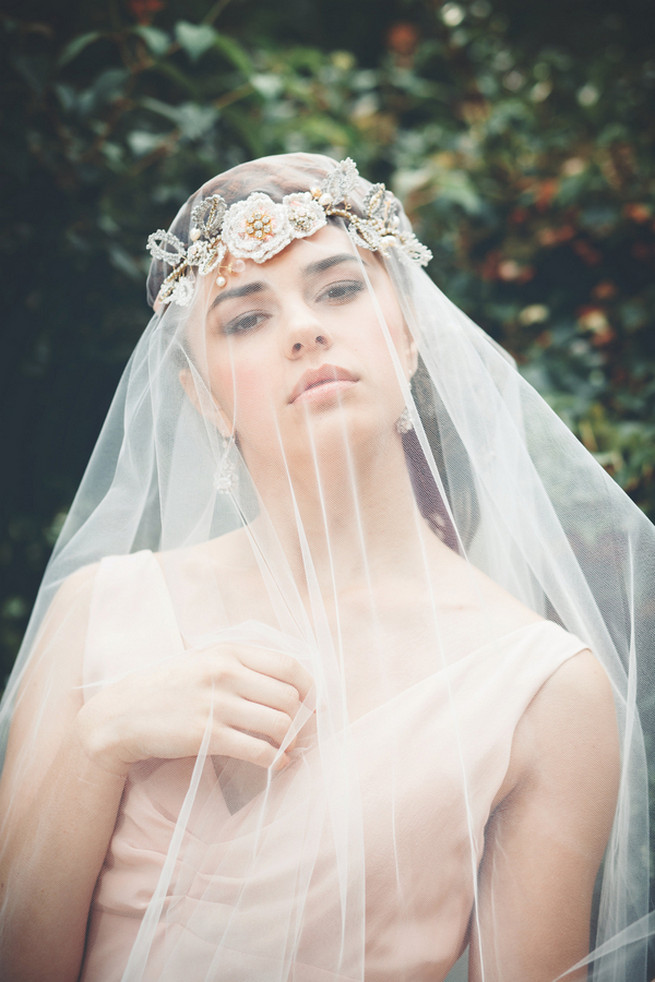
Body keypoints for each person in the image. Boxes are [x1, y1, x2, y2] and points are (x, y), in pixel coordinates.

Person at [0, 152, 652, 982]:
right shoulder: (100, 612)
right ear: (203, 398)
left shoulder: (541, 688)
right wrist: (101, 743)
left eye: (338, 289)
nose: (305, 329)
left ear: (409, 337)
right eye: (245, 318)